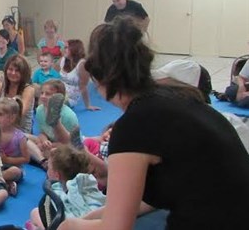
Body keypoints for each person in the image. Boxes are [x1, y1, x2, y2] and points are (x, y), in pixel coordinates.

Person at [58, 17, 249, 229]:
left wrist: (69, 226)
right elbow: (143, 202)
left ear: (99, 79)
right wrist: (87, 219)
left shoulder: (134, 125)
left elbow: (114, 227)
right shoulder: (176, 95)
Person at [28, 145, 106, 230]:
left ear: (57, 175)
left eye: (48, 168)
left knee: (35, 213)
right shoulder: (89, 186)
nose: (47, 171)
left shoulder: (56, 195)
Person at [29, 80, 81, 168]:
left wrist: (48, 145)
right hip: (49, 142)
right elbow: (42, 132)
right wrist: (44, 140)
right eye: (42, 93)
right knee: (22, 137)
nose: (43, 96)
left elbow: (72, 143)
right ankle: (43, 160)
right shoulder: (39, 110)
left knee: (55, 153)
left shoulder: (68, 115)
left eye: (48, 94)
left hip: (65, 145)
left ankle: (41, 159)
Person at [0, 54, 36, 134]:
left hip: (20, 130)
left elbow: (19, 114)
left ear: (24, 73)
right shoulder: (0, 86)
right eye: (10, 69)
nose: (13, 73)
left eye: (17, 71)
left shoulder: (28, 90)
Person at [0, 98, 29, 197]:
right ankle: (5, 184)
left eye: (0, 115)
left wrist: (7, 159)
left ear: (12, 118)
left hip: (12, 168)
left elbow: (26, 159)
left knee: (14, 171)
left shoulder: (19, 136)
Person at [59, 39, 100, 111]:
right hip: (59, 91)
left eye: (66, 47)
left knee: (52, 103)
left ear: (74, 49)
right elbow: (51, 72)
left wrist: (88, 105)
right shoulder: (63, 60)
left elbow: (83, 86)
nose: (63, 49)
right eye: (64, 47)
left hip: (70, 97)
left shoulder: (82, 64)